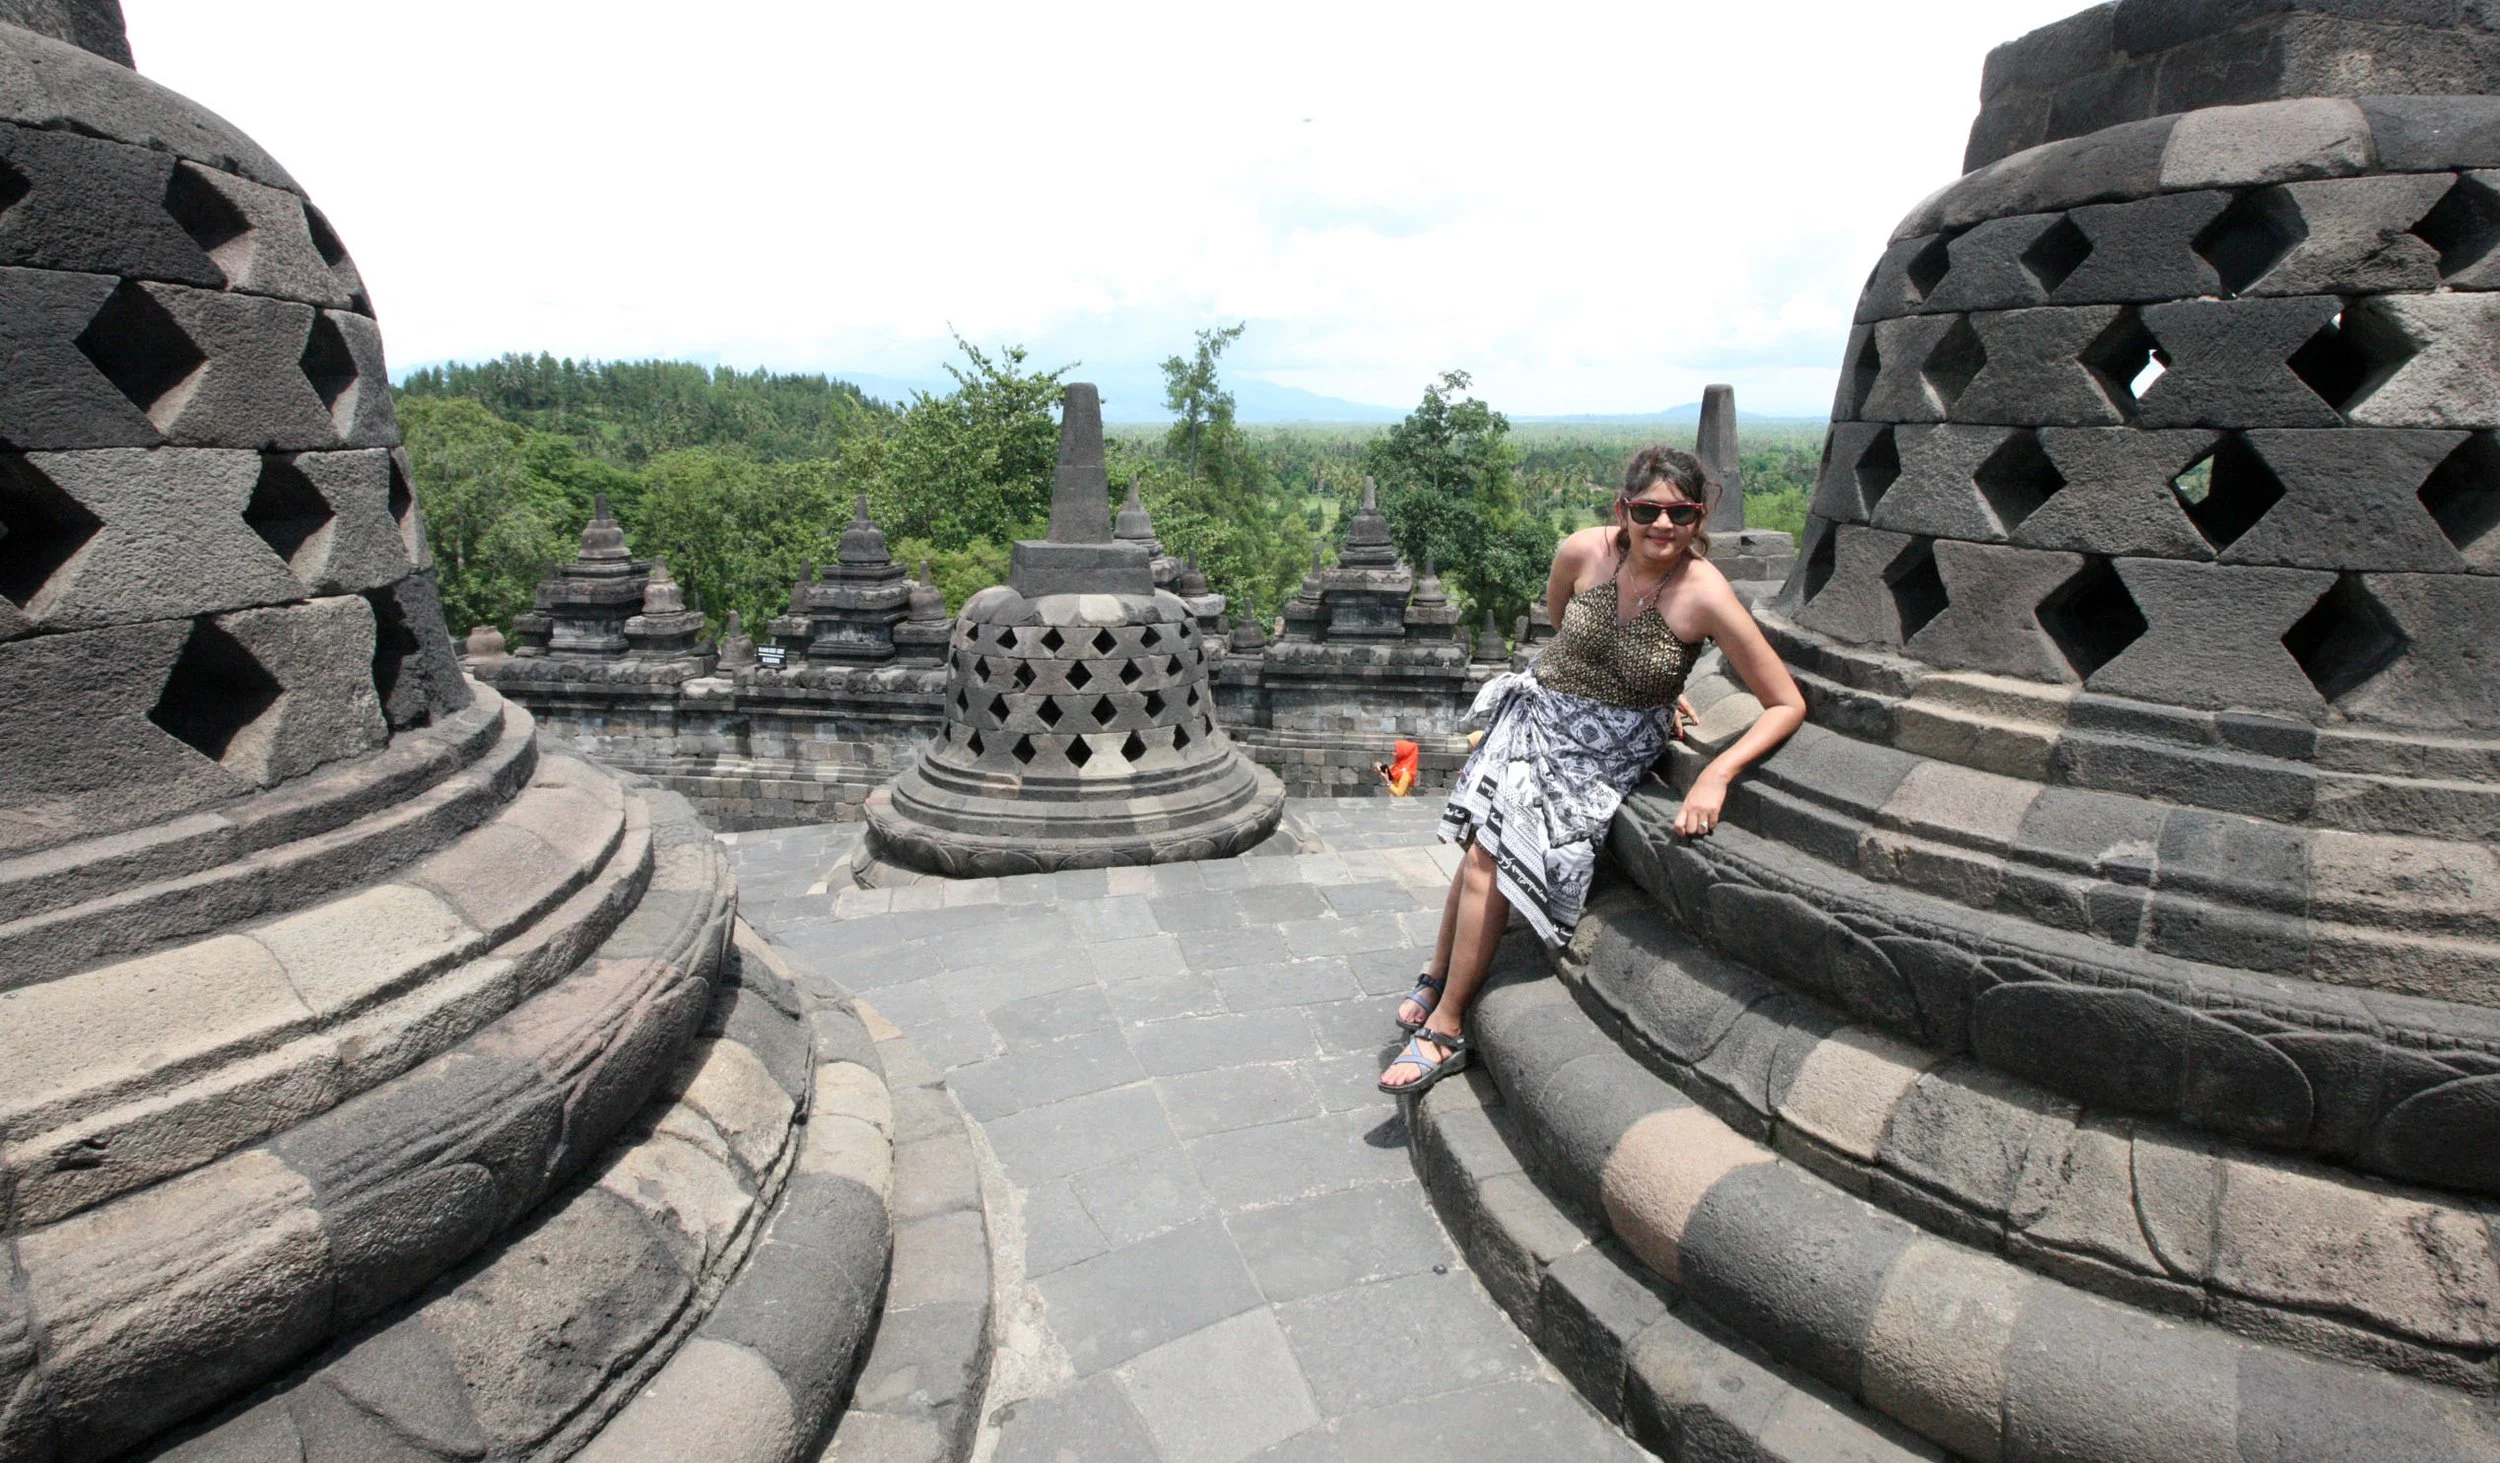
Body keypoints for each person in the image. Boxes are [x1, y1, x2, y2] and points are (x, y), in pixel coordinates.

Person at [1380, 445, 1807, 1094]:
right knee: (1481, 845)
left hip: (1607, 751)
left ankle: (1445, 1020)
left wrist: (1716, 769)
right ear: (1622, 509)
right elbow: (1561, 623)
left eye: (1681, 513)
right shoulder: (1582, 551)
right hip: (1541, 710)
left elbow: (1786, 702)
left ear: (1698, 519)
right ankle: (1441, 980)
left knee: (1488, 852)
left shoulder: (1705, 593)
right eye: (1647, 510)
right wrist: (1619, 669)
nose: (1663, 526)